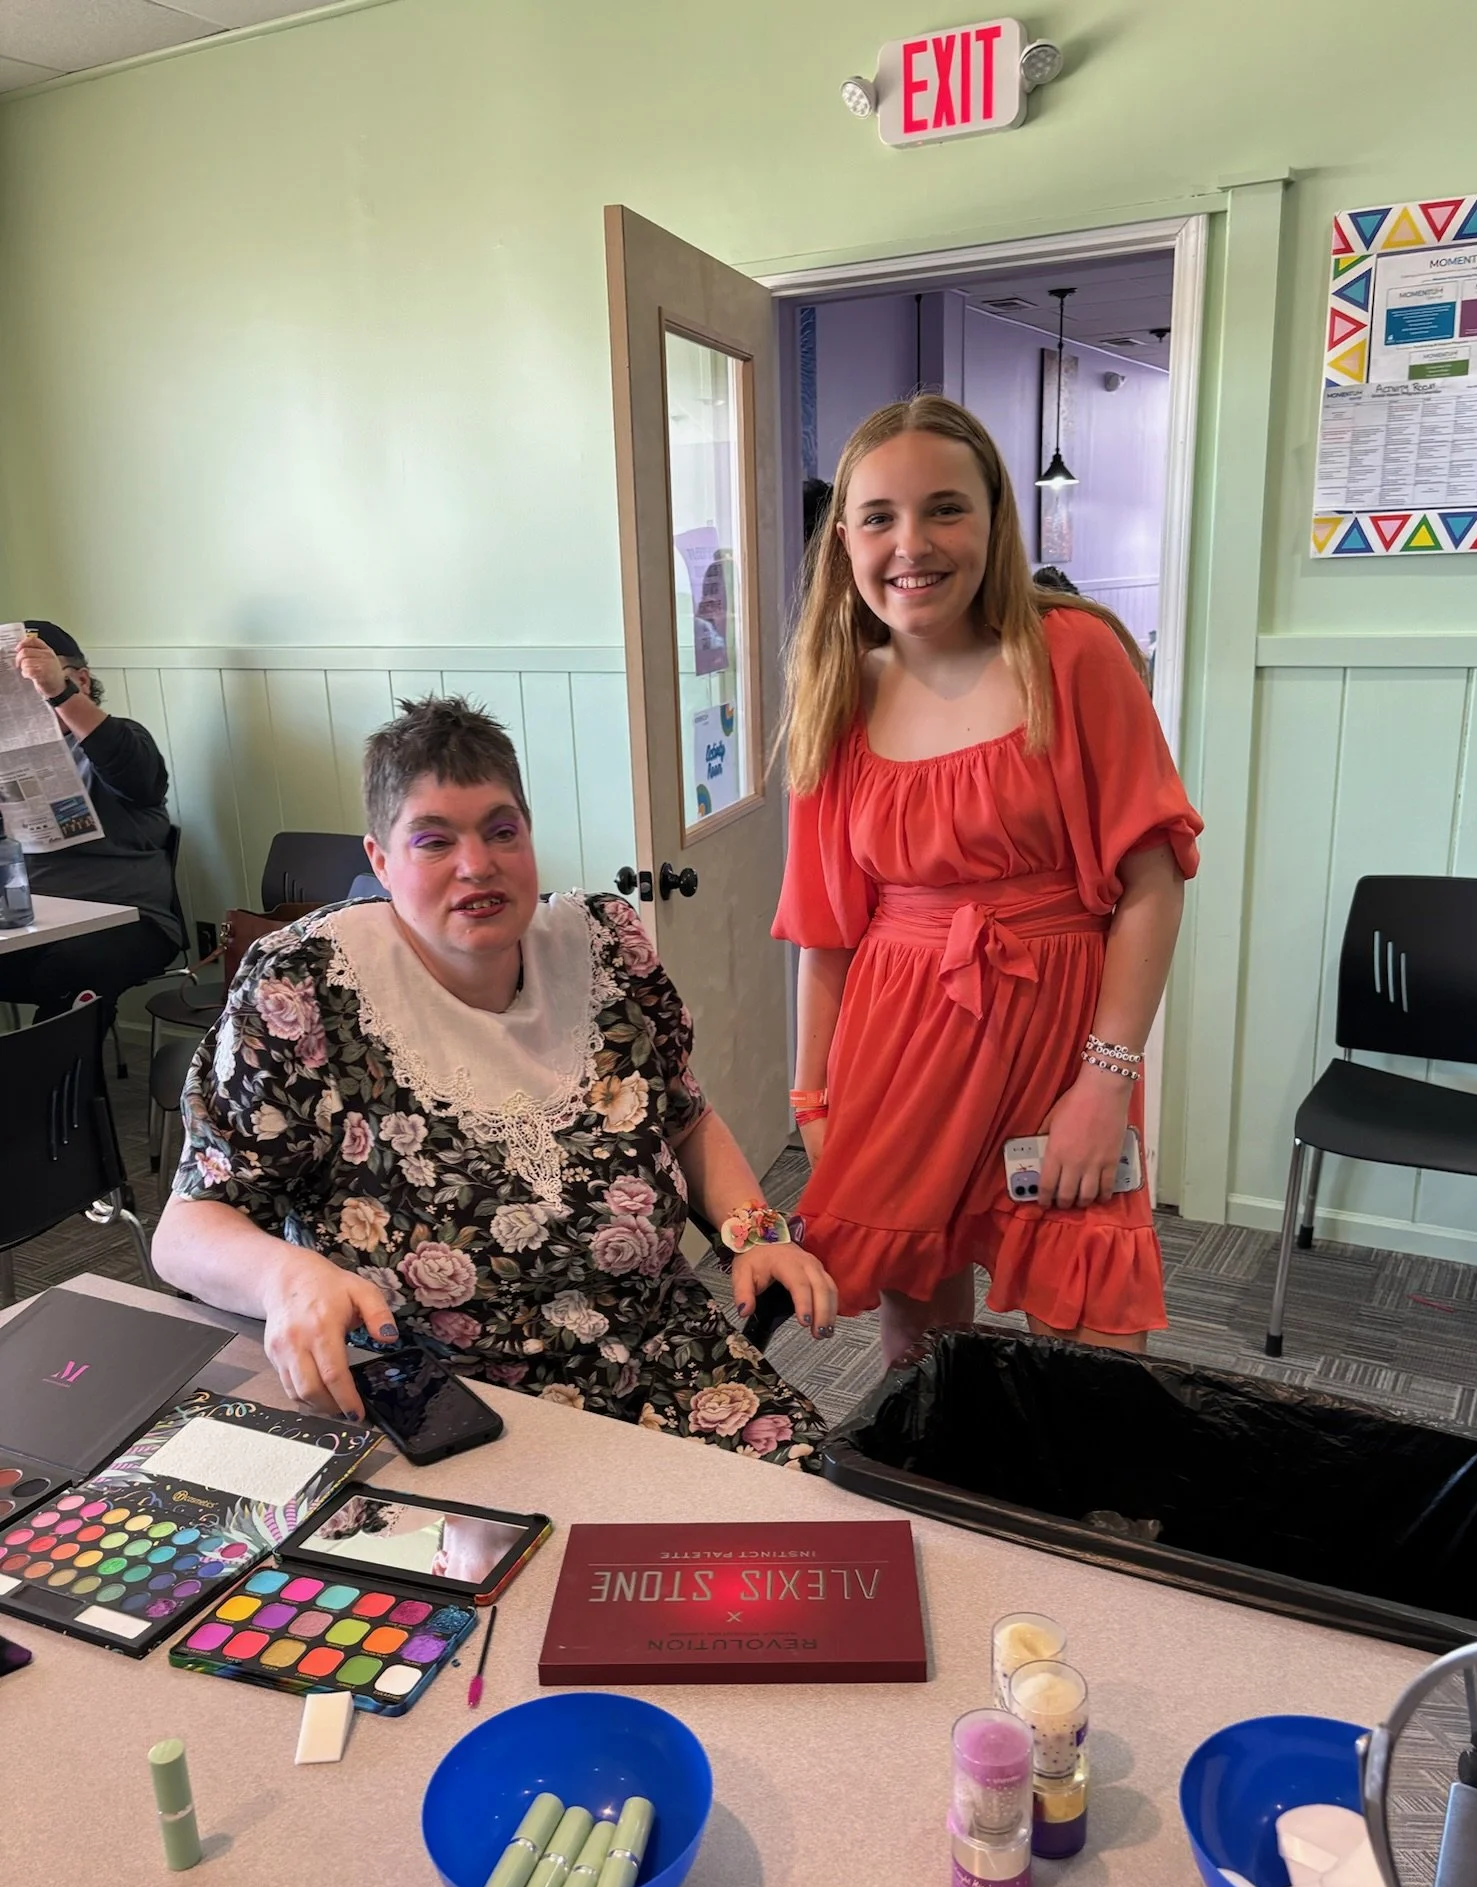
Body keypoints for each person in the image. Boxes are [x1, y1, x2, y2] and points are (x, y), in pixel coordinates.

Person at [152, 694, 832, 1468]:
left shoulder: (606, 947)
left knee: (819, 1534)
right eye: (433, 841)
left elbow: (685, 1118)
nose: (477, 865)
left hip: (662, 1358)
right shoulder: (305, 992)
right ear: (379, 860)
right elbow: (184, 1233)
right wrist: (287, 1277)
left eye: (501, 831)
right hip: (438, 1405)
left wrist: (753, 1231)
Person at [773, 396, 1202, 1369]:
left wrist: (1108, 1077)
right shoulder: (838, 693)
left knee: (1096, 1344)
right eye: (879, 516)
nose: (910, 544)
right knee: (920, 1342)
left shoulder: (1075, 656)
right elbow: (827, 932)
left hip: (1063, 1046)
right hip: (900, 1045)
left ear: (996, 519)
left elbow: (1153, 879)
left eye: (945, 509)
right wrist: (813, 1099)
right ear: (845, 538)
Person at [0, 622, 180, 1021]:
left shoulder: (124, 739)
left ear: (80, 679)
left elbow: (139, 778)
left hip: (129, 919)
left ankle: (58, 1085)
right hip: (27, 923)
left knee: (69, 969)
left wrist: (57, 693)